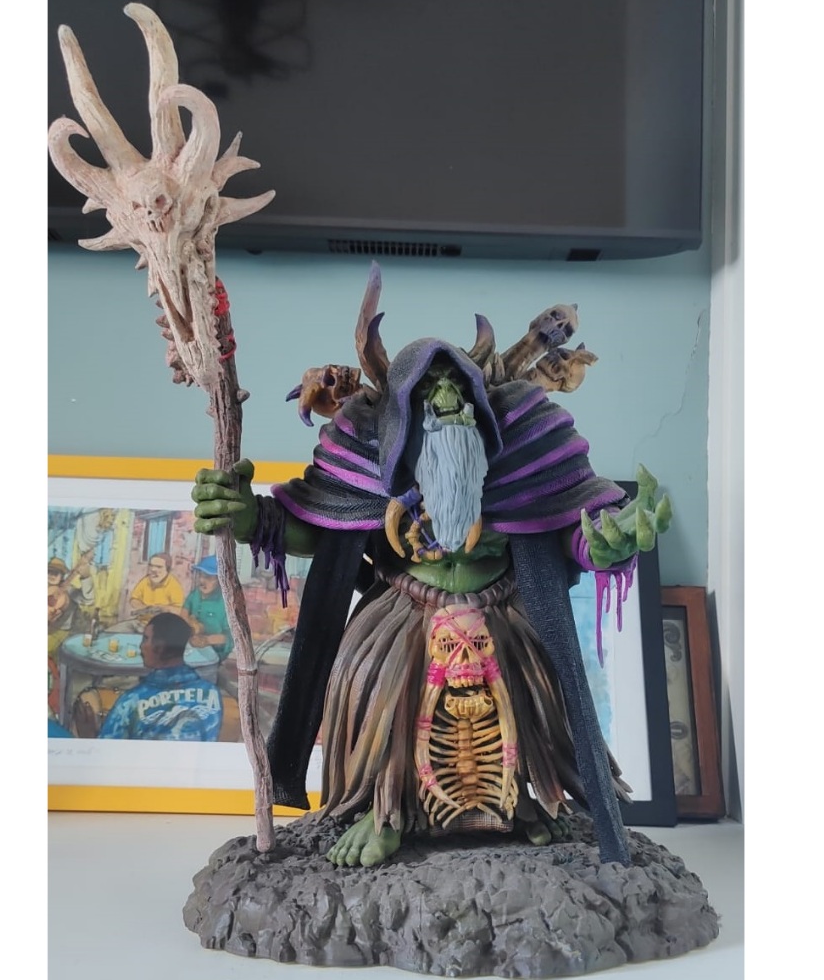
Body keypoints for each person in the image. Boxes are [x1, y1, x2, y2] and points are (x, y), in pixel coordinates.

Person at [191, 290, 670, 868]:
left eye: (457, 388)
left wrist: (609, 543)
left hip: (505, 607)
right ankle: (385, 809)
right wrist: (246, 516)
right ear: (399, 410)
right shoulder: (364, 448)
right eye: (430, 389)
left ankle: (526, 800)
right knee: (378, 699)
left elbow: (570, 525)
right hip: (403, 612)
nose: (447, 402)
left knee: (535, 702)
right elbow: (316, 525)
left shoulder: (527, 441)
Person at [97, 613, 223, 741]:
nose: (141, 645)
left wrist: (89, 732)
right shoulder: (212, 693)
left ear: (160, 647)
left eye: (146, 639)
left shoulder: (131, 702)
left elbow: (106, 747)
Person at [180, 556, 234, 662]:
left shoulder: (226, 604)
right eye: (201, 575)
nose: (202, 581)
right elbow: (183, 613)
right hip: (191, 648)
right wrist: (191, 625)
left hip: (215, 653)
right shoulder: (195, 594)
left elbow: (231, 637)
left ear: (220, 581)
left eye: (208, 577)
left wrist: (207, 640)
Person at [48, 553, 96, 656]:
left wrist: (86, 577)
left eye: (56, 573)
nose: (52, 576)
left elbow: (88, 600)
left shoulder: (69, 591)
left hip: (60, 631)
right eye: (49, 572)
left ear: (62, 576)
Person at [127, 552, 185, 626]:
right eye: (151, 566)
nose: (153, 569)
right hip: (141, 622)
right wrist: (144, 608)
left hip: (162, 625)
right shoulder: (145, 581)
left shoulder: (174, 586)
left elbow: (179, 610)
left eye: (159, 567)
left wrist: (162, 609)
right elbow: (134, 599)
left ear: (167, 569)